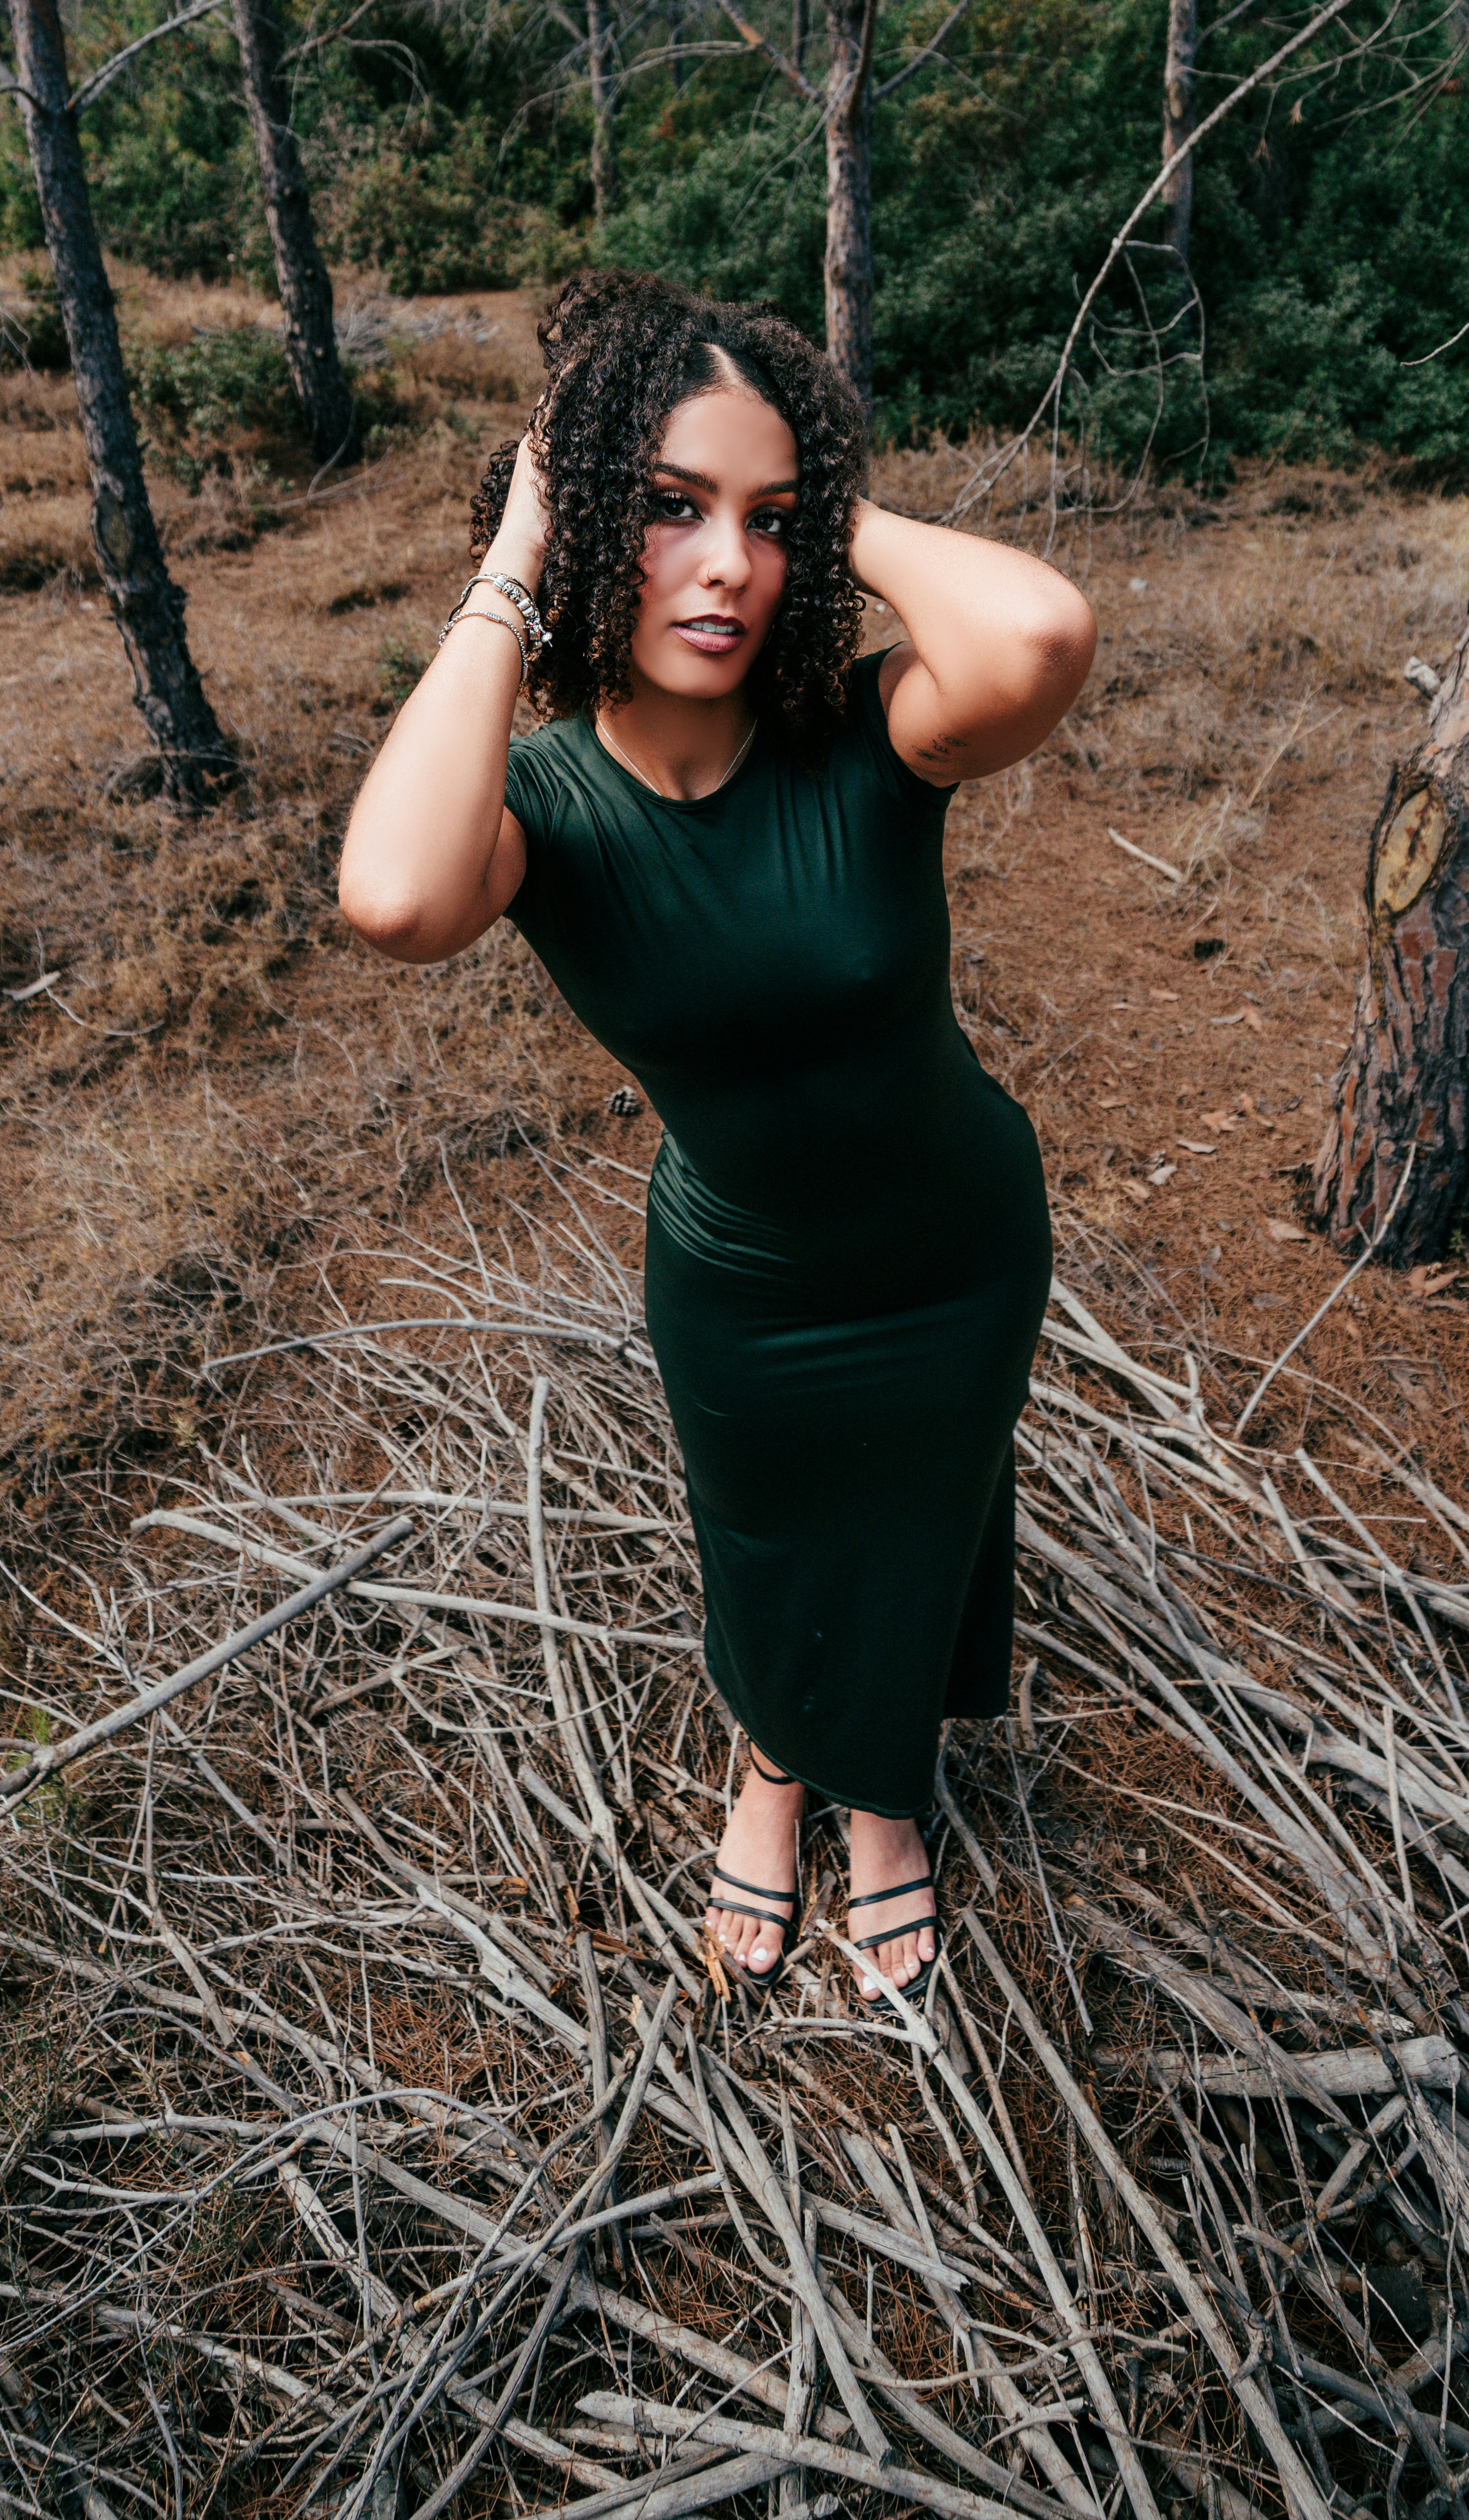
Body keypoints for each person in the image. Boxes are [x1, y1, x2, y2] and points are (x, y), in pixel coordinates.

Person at [339, 272, 1095, 1999]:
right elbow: (392, 898)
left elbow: (1039, 637)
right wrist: (517, 558)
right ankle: (771, 1779)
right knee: (758, 1543)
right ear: (594, 518)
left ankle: (888, 1801)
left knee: (928, 1522)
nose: (728, 568)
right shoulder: (536, 805)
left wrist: (834, 508)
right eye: (670, 509)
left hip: (958, 1249)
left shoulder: (866, 735)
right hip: (749, 1282)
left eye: (768, 521)